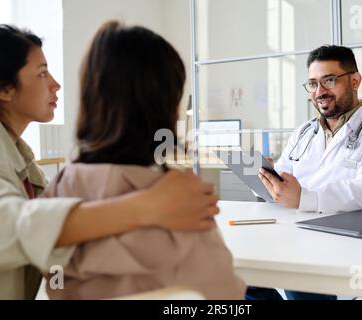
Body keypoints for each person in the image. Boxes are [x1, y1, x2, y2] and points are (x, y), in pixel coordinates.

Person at [0, 24, 219, 300]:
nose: (56, 84)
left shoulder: (31, 164)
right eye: (42, 73)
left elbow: (58, 275)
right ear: (2, 90)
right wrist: (146, 207)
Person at [41, 21, 245, 300]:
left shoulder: (58, 190)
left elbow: (54, 282)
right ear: (164, 104)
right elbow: (225, 296)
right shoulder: (181, 201)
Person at [258, 45, 362, 300]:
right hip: (292, 235)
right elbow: (285, 175)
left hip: (346, 246)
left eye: (328, 80)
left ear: (355, 80)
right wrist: (268, 177)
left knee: (299, 287)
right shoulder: (304, 132)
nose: (319, 92)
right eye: (313, 84)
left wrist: (304, 198)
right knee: (240, 279)